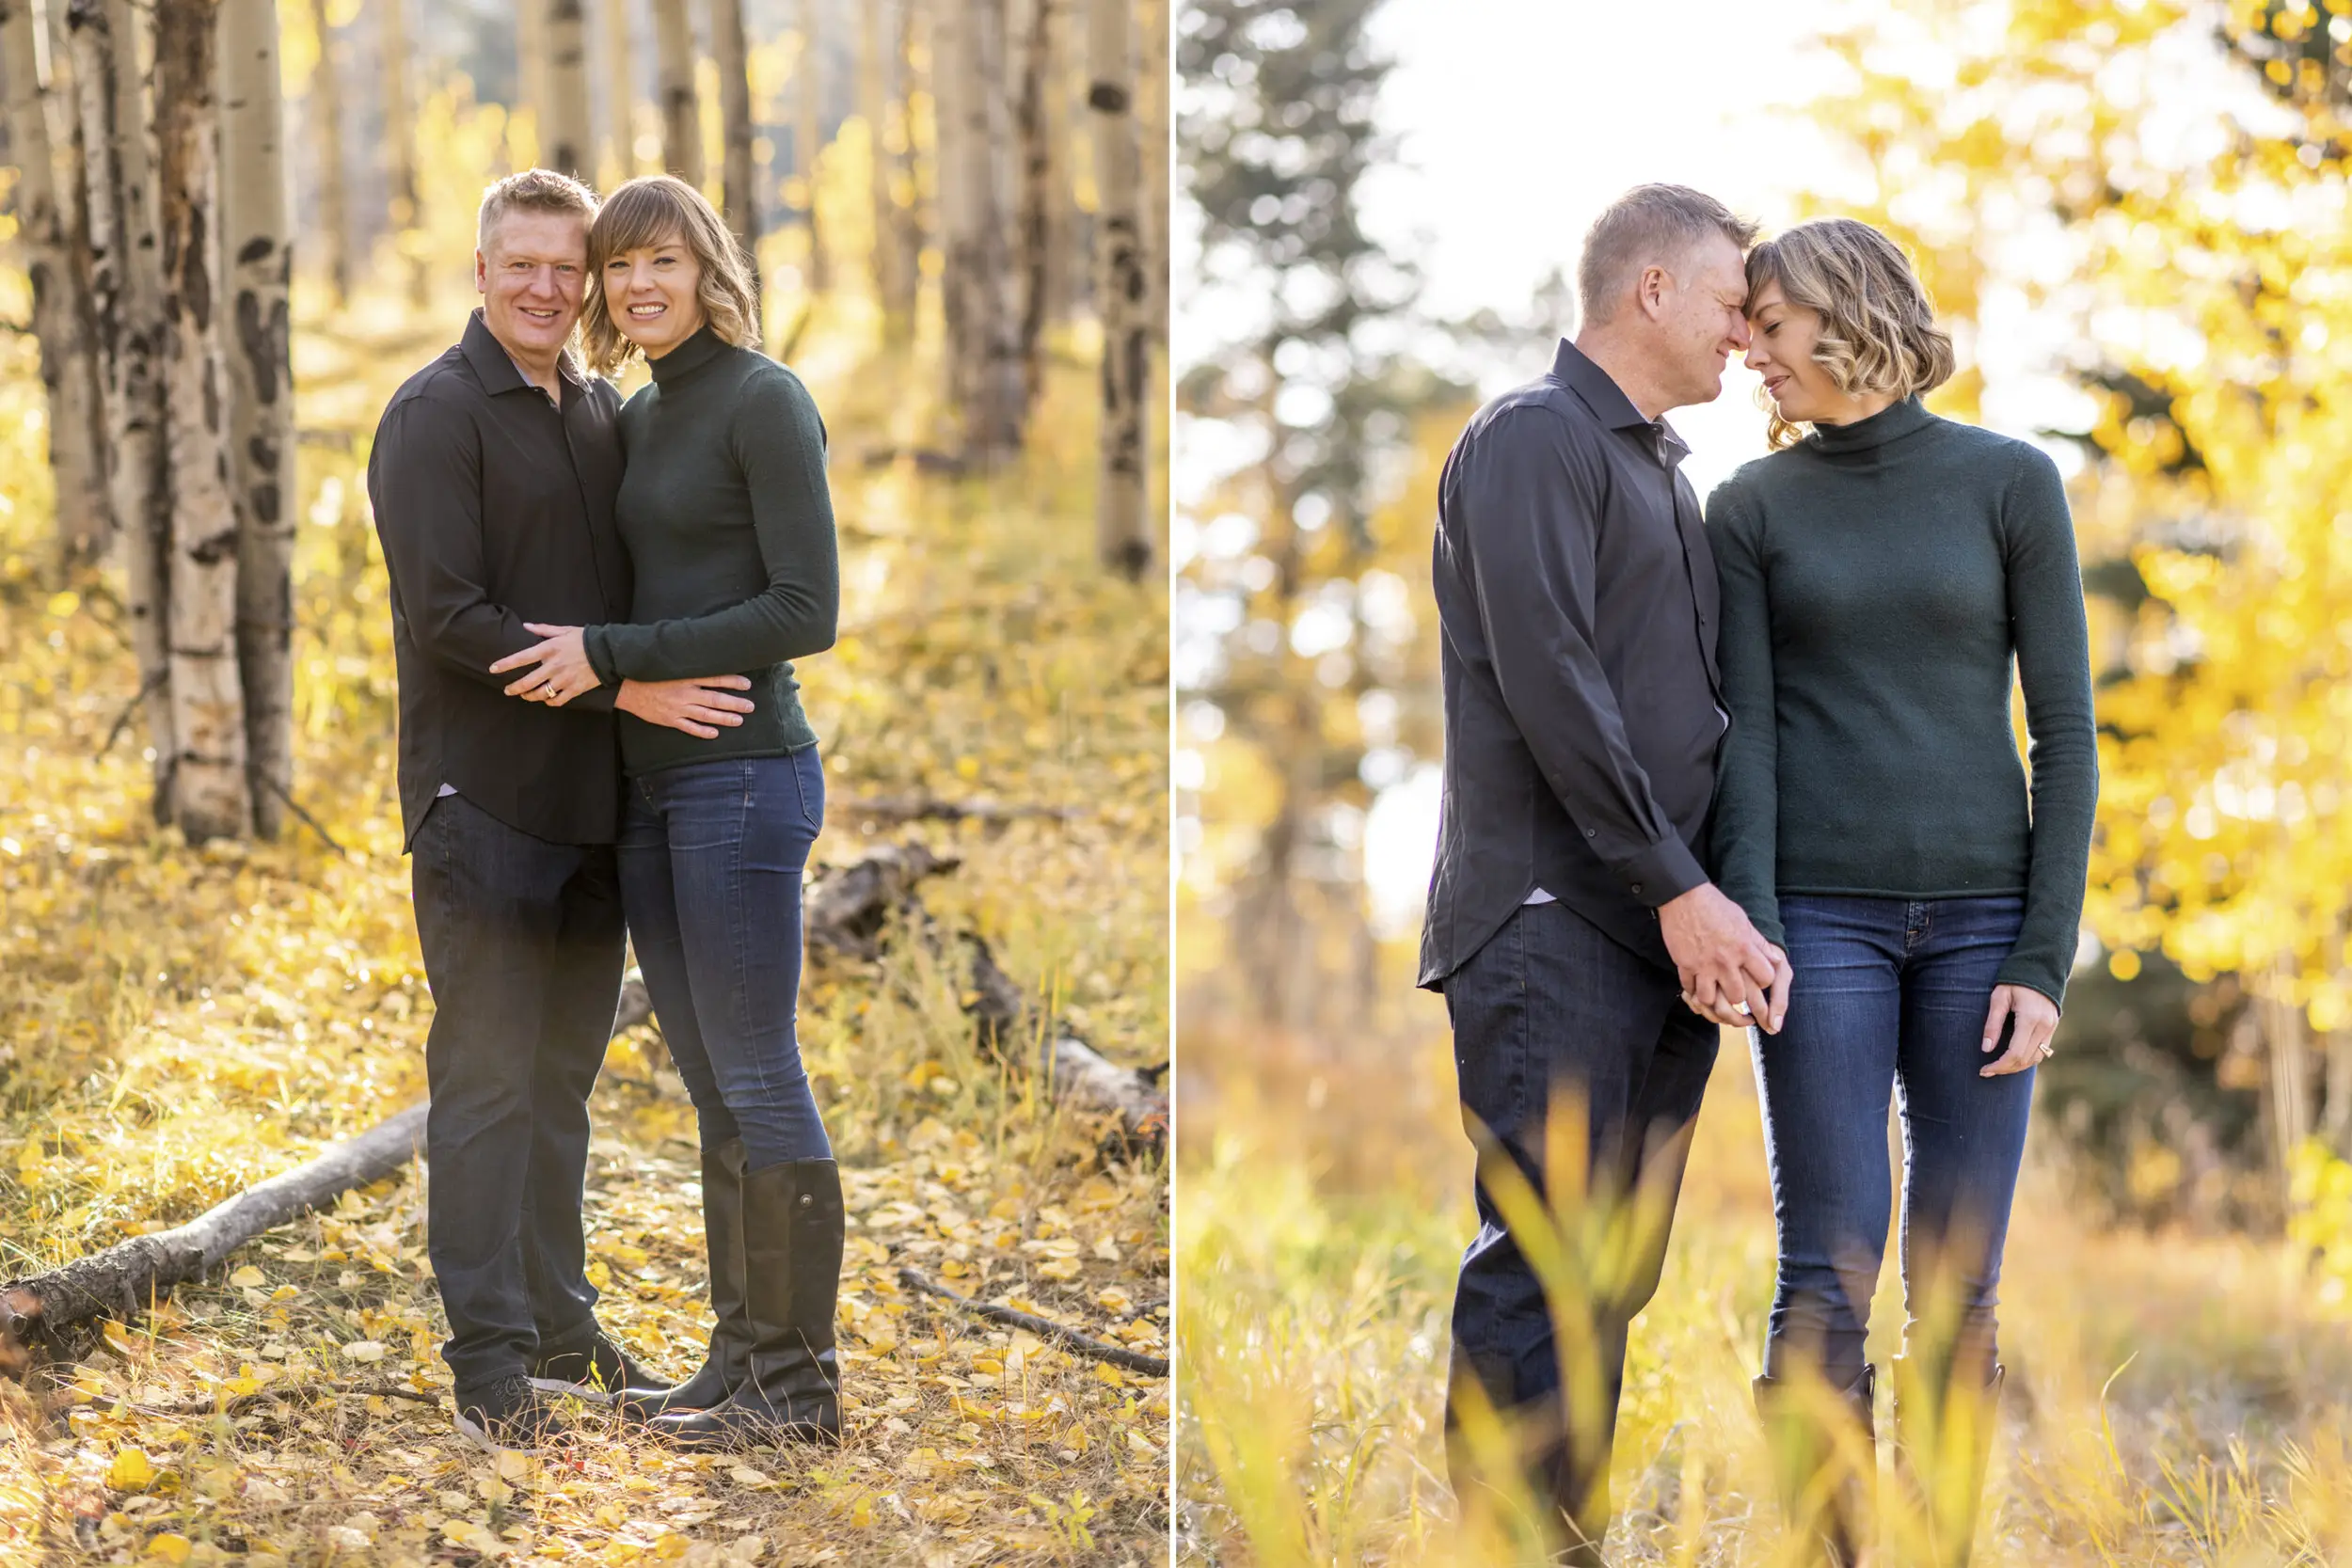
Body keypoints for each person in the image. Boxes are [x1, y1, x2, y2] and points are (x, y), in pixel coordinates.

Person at [1705, 217, 2097, 1565]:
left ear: (1842, 308)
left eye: (1766, 321)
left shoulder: (2009, 481)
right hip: (1818, 924)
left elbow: (2066, 733)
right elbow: (1742, 733)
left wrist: (2043, 958)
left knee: (1961, 1282)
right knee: (1827, 1268)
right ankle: (1829, 1549)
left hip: (1988, 923)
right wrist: (1751, 922)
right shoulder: (1746, 510)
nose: (1748, 350)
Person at [1419, 184, 1787, 1563]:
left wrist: (1707, 900)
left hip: (1653, 932)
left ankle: (1560, 1535)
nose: (1746, 335)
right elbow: (1554, 684)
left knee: (1612, 1274)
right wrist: (1678, 885)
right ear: (1651, 291)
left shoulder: (1662, 471)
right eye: (1732, 302)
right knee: (1548, 1253)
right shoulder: (1534, 436)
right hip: (1547, 916)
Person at [369, 168, 760, 1452]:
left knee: (560, 1080)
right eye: (521, 264)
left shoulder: (601, 409)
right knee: (484, 1078)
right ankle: (488, 1359)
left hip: (592, 811)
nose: (547, 288)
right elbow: (449, 617)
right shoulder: (435, 414)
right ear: (480, 272)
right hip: (481, 803)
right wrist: (628, 683)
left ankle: (559, 1321)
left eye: (567, 267)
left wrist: (632, 684)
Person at [491, 173, 844, 1449]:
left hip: (747, 775)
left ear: (709, 271)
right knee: (713, 1084)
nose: (641, 285)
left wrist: (616, 650)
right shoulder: (639, 417)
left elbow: (809, 607)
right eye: (621, 266)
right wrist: (623, 677)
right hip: (649, 785)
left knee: (758, 1066)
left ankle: (800, 1389)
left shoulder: (764, 398)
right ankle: (737, 1360)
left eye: (665, 263)